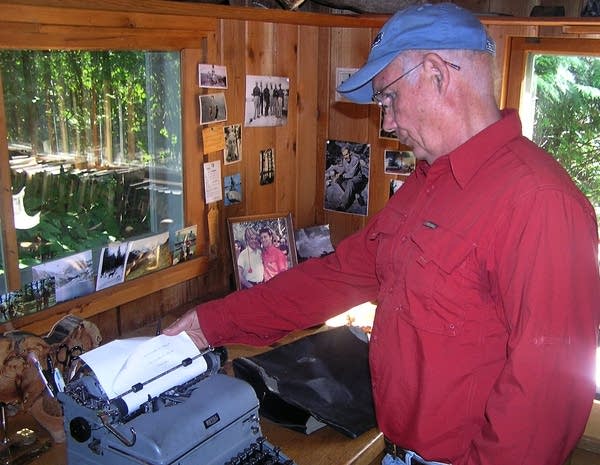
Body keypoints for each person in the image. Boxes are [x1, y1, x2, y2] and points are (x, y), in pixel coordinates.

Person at [165, 3, 600, 465]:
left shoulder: (539, 202)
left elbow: (547, 398)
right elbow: (337, 276)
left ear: (437, 74)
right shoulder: (427, 183)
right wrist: (211, 324)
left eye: (388, 97)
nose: (387, 121)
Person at [327, 145, 367, 211]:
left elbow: (352, 174)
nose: (346, 156)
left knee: (350, 182)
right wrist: (339, 174)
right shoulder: (344, 160)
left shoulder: (355, 159)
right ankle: (354, 193)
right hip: (349, 177)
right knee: (338, 180)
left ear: (350, 153)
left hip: (357, 178)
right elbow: (344, 169)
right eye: (344, 155)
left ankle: (343, 205)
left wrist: (342, 176)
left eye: (347, 154)